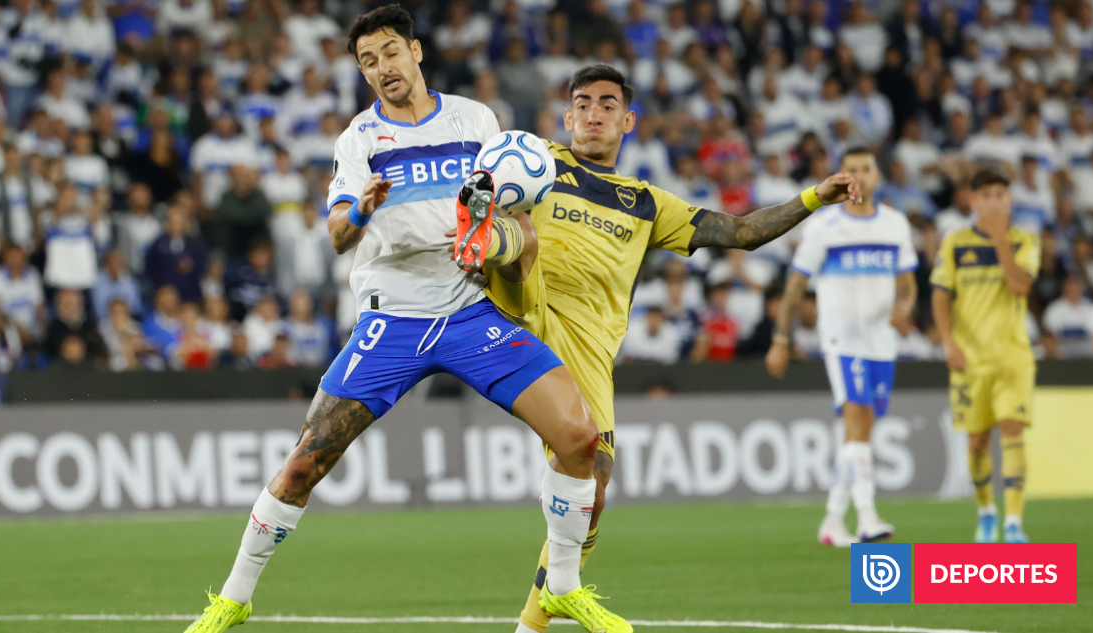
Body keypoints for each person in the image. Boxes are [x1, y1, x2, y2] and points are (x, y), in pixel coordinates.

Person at [185, 7, 615, 633]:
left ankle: (563, 588)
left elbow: (510, 209)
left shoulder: (476, 119)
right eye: (367, 61)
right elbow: (336, 236)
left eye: (389, 53)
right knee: (305, 461)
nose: (381, 68)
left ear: (415, 51)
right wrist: (359, 211)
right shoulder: (359, 139)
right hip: (395, 323)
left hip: (471, 311)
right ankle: (234, 597)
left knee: (581, 440)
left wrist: (508, 244)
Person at [462, 64, 860, 633]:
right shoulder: (534, 163)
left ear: (628, 121)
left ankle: (537, 618)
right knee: (518, 238)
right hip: (518, 317)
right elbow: (479, 171)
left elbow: (740, 232)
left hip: (588, 350)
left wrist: (813, 197)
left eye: (606, 104)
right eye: (583, 103)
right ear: (567, 115)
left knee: (592, 490)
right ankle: (482, 255)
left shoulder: (646, 204)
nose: (593, 113)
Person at [765, 147, 919, 547]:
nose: (860, 176)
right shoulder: (825, 226)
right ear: (840, 177)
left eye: (866, 169)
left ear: (877, 175)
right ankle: (867, 518)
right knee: (856, 419)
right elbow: (796, 285)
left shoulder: (895, 224)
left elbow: (907, 283)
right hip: (841, 339)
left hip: (881, 341)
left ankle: (833, 521)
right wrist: (781, 339)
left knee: (862, 429)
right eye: (851, 170)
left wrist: (903, 309)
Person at [931, 168, 1039, 544]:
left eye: (1001, 194)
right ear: (973, 201)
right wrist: (949, 343)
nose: (994, 200)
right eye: (987, 194)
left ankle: (1014, 523)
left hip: (1013, 357)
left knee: (1012, 430)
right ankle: (986, 512)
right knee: (977, 442)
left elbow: (1021, 286)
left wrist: (998, 240)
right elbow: (940, 295)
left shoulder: (1025, 240)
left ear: (1009, 199)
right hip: (970, 360)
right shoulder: (955, 242)